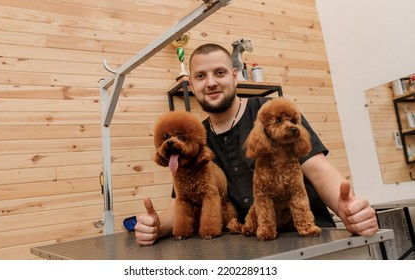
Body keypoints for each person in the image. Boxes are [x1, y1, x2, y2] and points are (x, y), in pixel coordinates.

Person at [134, 43, 378, 245]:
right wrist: (156, 226)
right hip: (256, 244)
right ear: (192, 86)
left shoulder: (270, 112)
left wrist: (346, 207)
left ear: (234, 76)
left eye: (219, 73)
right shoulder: (195, 137)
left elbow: (318, 169)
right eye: (201, 76)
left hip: (309, 239)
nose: (210, 83)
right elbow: (182, 199)